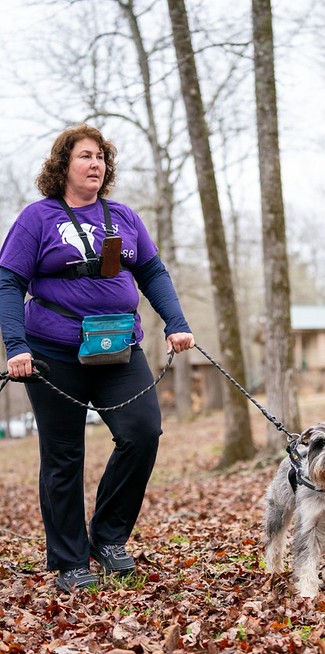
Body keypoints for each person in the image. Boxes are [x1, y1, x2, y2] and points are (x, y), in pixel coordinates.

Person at [0, 124, 195, 592]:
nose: (96, 164)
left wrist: (177, 323)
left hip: (118, 348)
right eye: (85, 156)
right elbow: (8, 282)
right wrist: (17, 347)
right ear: (63, 166)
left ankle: (107, 539)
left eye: (101, 158)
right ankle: (70, 561)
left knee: (143, 432)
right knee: (64, 456)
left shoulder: (123, 216)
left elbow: (152, 270)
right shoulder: (38, 218)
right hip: (50, 355)